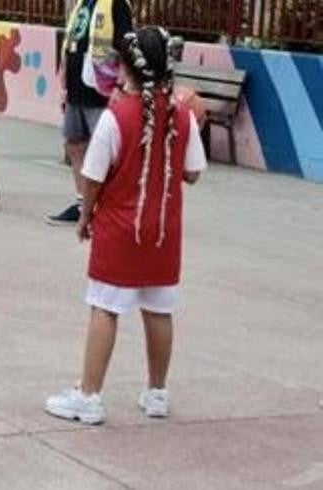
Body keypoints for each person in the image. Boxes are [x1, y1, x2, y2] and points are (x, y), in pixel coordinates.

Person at [44, 27, 206, 425]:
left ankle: (89, 396)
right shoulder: (182, 115)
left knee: (105, 307)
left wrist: (86, 217)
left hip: (120, 228)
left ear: (125, 67)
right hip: (163, 232)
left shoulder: (117, 117)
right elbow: (193, 173)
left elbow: (94, 176)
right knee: (159, 310)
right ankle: (157, 393)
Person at [47, 0, 134, 226]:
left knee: (106, 150)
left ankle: (110, 205)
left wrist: (120, 88)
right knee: (75, 144)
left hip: (102, 91)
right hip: (76, 88)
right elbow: (72, 42)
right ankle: (83, 202)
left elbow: (126, 46)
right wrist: (63, 85)